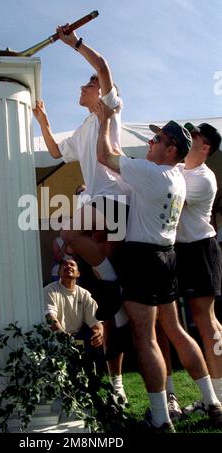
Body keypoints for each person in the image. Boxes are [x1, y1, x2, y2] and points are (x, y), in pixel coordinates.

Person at [95, 100, 222, 431]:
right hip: (167, 257)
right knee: (177, 331)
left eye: (157, 140)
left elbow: (104, 156)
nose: (150, 143)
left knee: (146, 337)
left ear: (171, 150)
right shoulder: (177, 177)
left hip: (143, 258)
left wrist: (104, 118)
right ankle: (212, 400)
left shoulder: (152, 173)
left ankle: (162, 419)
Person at [33, 25, 131, 319]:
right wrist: (43, 122)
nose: (81, 88)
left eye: (88, 86)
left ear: (102, 93)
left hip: (114, 195)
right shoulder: (83, 129)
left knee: (70, 232)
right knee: (73, 237)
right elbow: (55, 152)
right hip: (101, 199)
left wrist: (73, 42)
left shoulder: (110, 109)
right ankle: (115, 294)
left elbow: (101, 65)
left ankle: (113, 284)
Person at [173, 122, 222, 415]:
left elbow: (169, 201)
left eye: (196, 136)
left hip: (201, 250)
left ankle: (217, 396)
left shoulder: (204, 179)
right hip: (181, 251)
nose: (189, 138)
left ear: (205, 148)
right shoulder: (180, 170)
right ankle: (211, 399)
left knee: (207, 323)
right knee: (195, 322)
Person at [44, 258, 104, 374]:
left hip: (76, 340)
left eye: (72, 265)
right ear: (59, 273)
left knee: (96, 341)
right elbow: (50, 319)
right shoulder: (49, 290)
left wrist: (99, 332)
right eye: (64, 265)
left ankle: (94, 381)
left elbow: (96, 321)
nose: (68, 266)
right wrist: (65, 338)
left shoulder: (84, 294)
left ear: (78, 273)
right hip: (54, 340)